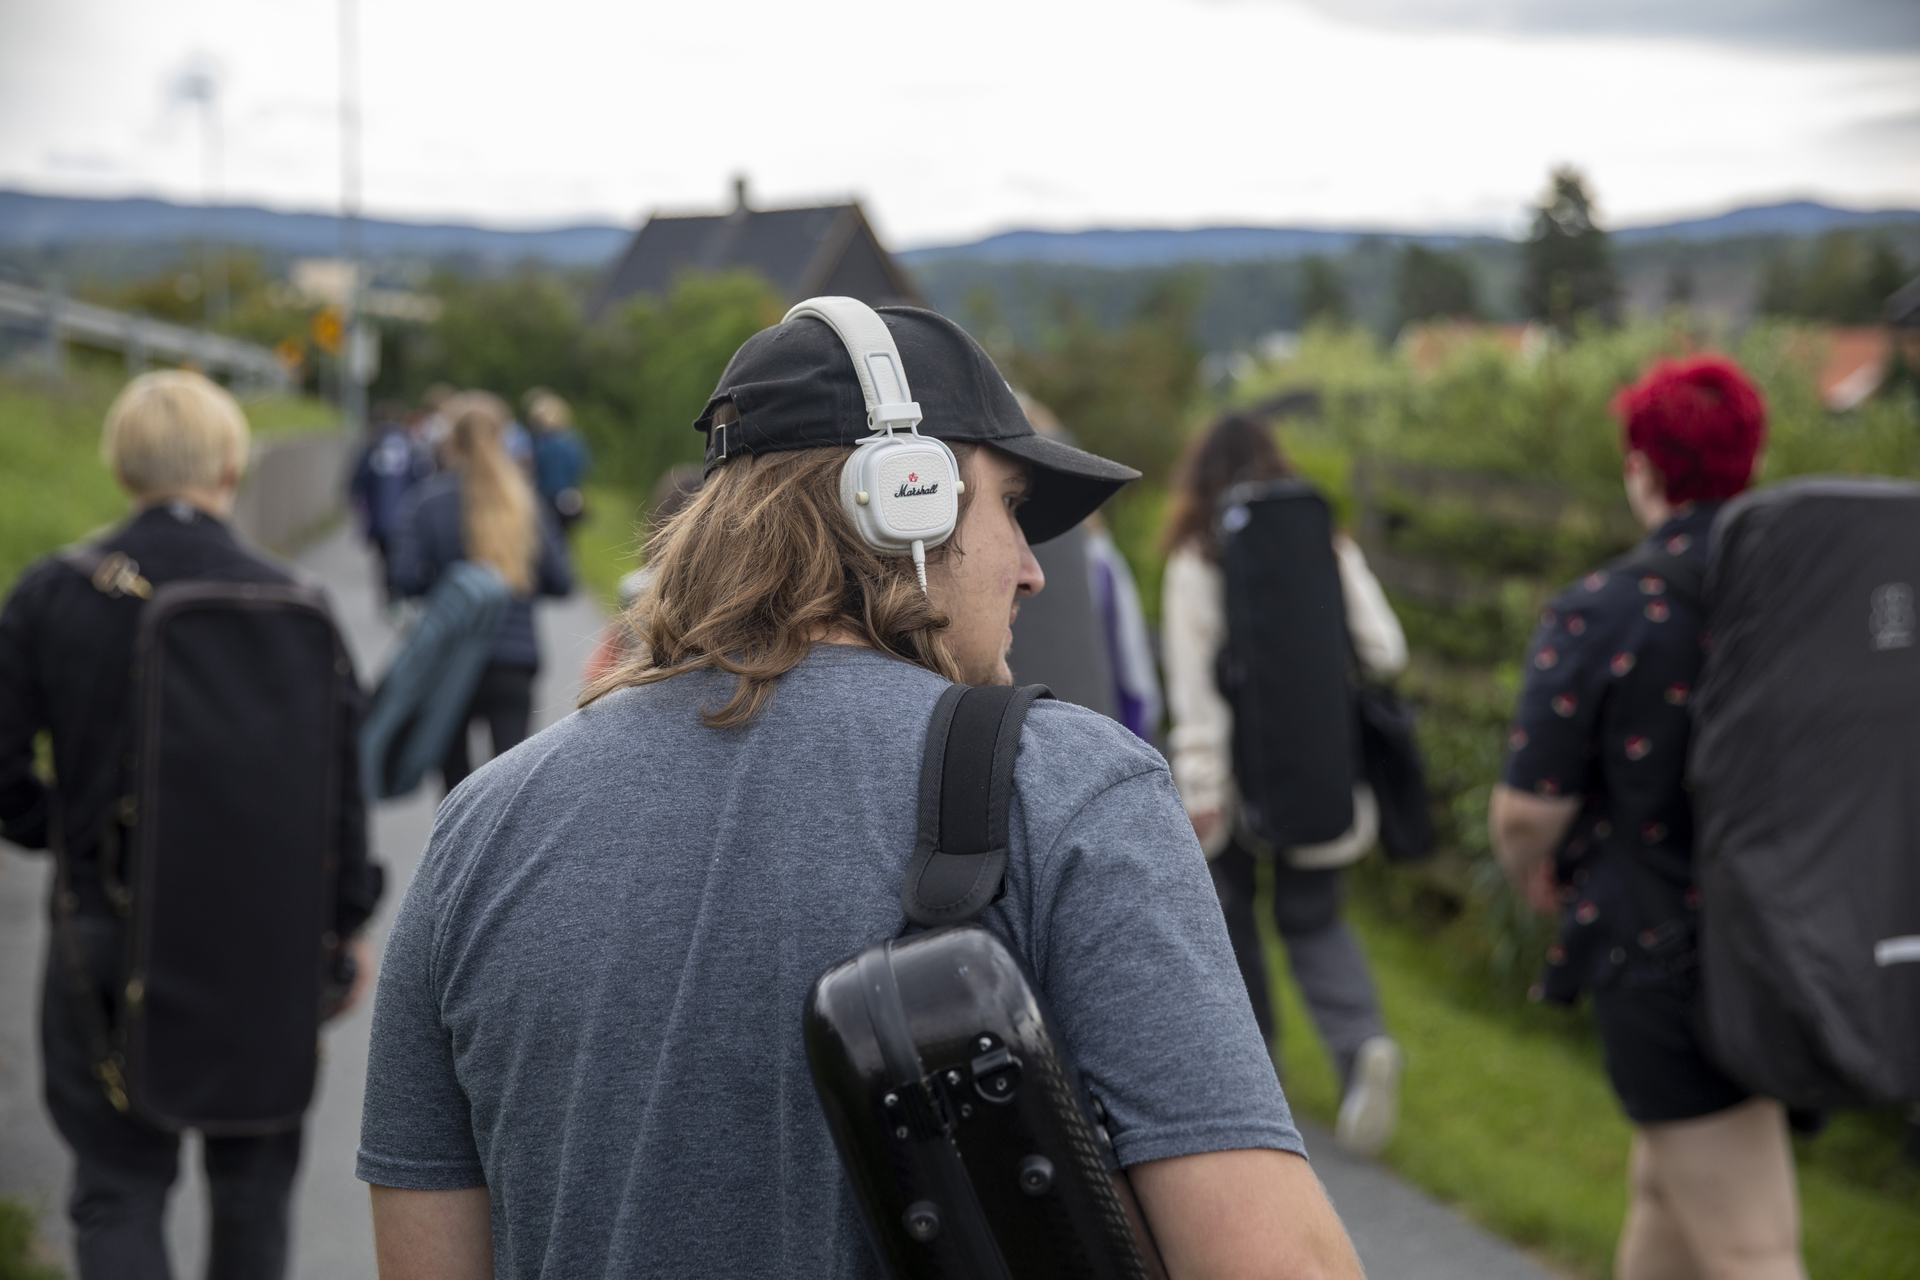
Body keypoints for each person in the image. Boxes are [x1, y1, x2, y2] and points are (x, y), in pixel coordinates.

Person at [357, 305, 1364, 1280]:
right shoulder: (1069, 791)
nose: (1030, 571)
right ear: (905, 494)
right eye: (1010, 507)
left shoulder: (478, 830)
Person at [0, 370, 383, 1279]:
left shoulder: (51, 595)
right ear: (229, 463)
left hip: (103, 930)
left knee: (115, 1186)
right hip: (261, 943)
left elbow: (3, 772)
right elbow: (340, 794)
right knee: (252, 1190)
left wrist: (72, 833)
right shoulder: (296, 604)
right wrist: (349, 922)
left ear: (120, 466)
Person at [1489, 356, 1805, 1280]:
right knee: (1665, 1200)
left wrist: (1529, 873)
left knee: (1751, 1247)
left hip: (1662, 955)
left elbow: (1526, 813)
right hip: (1784, 936)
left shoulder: (1609, 608)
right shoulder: (1795, 602)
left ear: (1643, 467)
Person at [1160, 413, 1406, 1156]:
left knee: (1235, 924)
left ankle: (1257, 1078)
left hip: (1237, 785)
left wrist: (1198, 783)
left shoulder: (1198, 553)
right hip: (1321, 772)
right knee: (1315, 919)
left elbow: (1193, 683)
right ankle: (1360, 1042)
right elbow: (1385, 650)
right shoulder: (1324, 539)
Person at [387, 392, 573, 792]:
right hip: (514, 663)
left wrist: (446, 585)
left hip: (453, 659)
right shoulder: (526, 502)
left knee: (455, 791)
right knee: (512, 793)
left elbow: (403, 576)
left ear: (449, 441)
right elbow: (561, 581)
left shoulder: (429, 500)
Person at [348, 399, 435, 594]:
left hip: (380, 516)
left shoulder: (371, 446)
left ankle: (388, 592)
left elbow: (357, 482)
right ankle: (397, 592)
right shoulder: (412, 446)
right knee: (403, 554)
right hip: (406, 515)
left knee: (384, 557)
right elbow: (421, 479)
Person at [523, 388, 592, 530]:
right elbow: (584, 467)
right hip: (569, 498)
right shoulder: (574, 440)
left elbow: (531, 469)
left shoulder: (539, 442)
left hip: (544, 497)